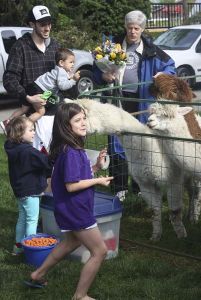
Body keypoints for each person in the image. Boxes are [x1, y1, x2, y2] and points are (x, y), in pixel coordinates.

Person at [25, 102, 113, 299]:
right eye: (77, 120)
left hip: (68, 207)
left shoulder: (70, 148)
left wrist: (96, 167)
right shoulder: (71, 152)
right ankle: (80, 295)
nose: (83, 123)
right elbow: (71, 186)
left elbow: (75, 176)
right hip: (76, 209)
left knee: (70, 243)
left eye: (84, 118)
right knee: (100, 252)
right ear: (66, 126)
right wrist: (98, 180)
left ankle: (38, 273)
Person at [93, 10, 176, 200]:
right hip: (118, 101)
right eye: (129, 28)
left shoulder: (151, 49)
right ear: (125, 27)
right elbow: (95, 70)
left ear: (142, 29)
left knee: (140, 145)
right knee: (117, 144)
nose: (132, 32)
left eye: (136, 28)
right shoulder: (112, 46)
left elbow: (170, 66)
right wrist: (103, 76)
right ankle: (119, 187)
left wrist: (162, 76)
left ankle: (139, 188)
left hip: (141, 103)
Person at [1, 5, 60, 133]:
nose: (47, 28)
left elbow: (61, 73)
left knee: (56, 152)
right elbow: (9, 79)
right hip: (33, 116)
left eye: (49, 23)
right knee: (37, 152)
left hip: (54, 110)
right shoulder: (20, 47)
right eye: (43, 24)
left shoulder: (55, 45)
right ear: (32, 24)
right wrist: (28, 97)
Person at [4, 116, 51, 255]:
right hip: (30, 191)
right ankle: (32, 250)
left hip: (20, 191)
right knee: (32, 220)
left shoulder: (12, 147)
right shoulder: (29, 151)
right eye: (30, 130)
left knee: (23, 218)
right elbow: (46, 162)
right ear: (19, 132)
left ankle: (18, 247)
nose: (34, 133)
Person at [1, 48, 80, 127]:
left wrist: (70, 77)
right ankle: (23, 127)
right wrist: (74, 80)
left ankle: (7, 122)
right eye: (71, 62)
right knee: (40, 112)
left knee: (24, 109)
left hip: (33, 87)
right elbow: (62, 86)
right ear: (61, 63)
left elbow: (62, 79)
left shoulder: (58, 69)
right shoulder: (62, 72)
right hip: (40, 91)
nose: (73, 64)